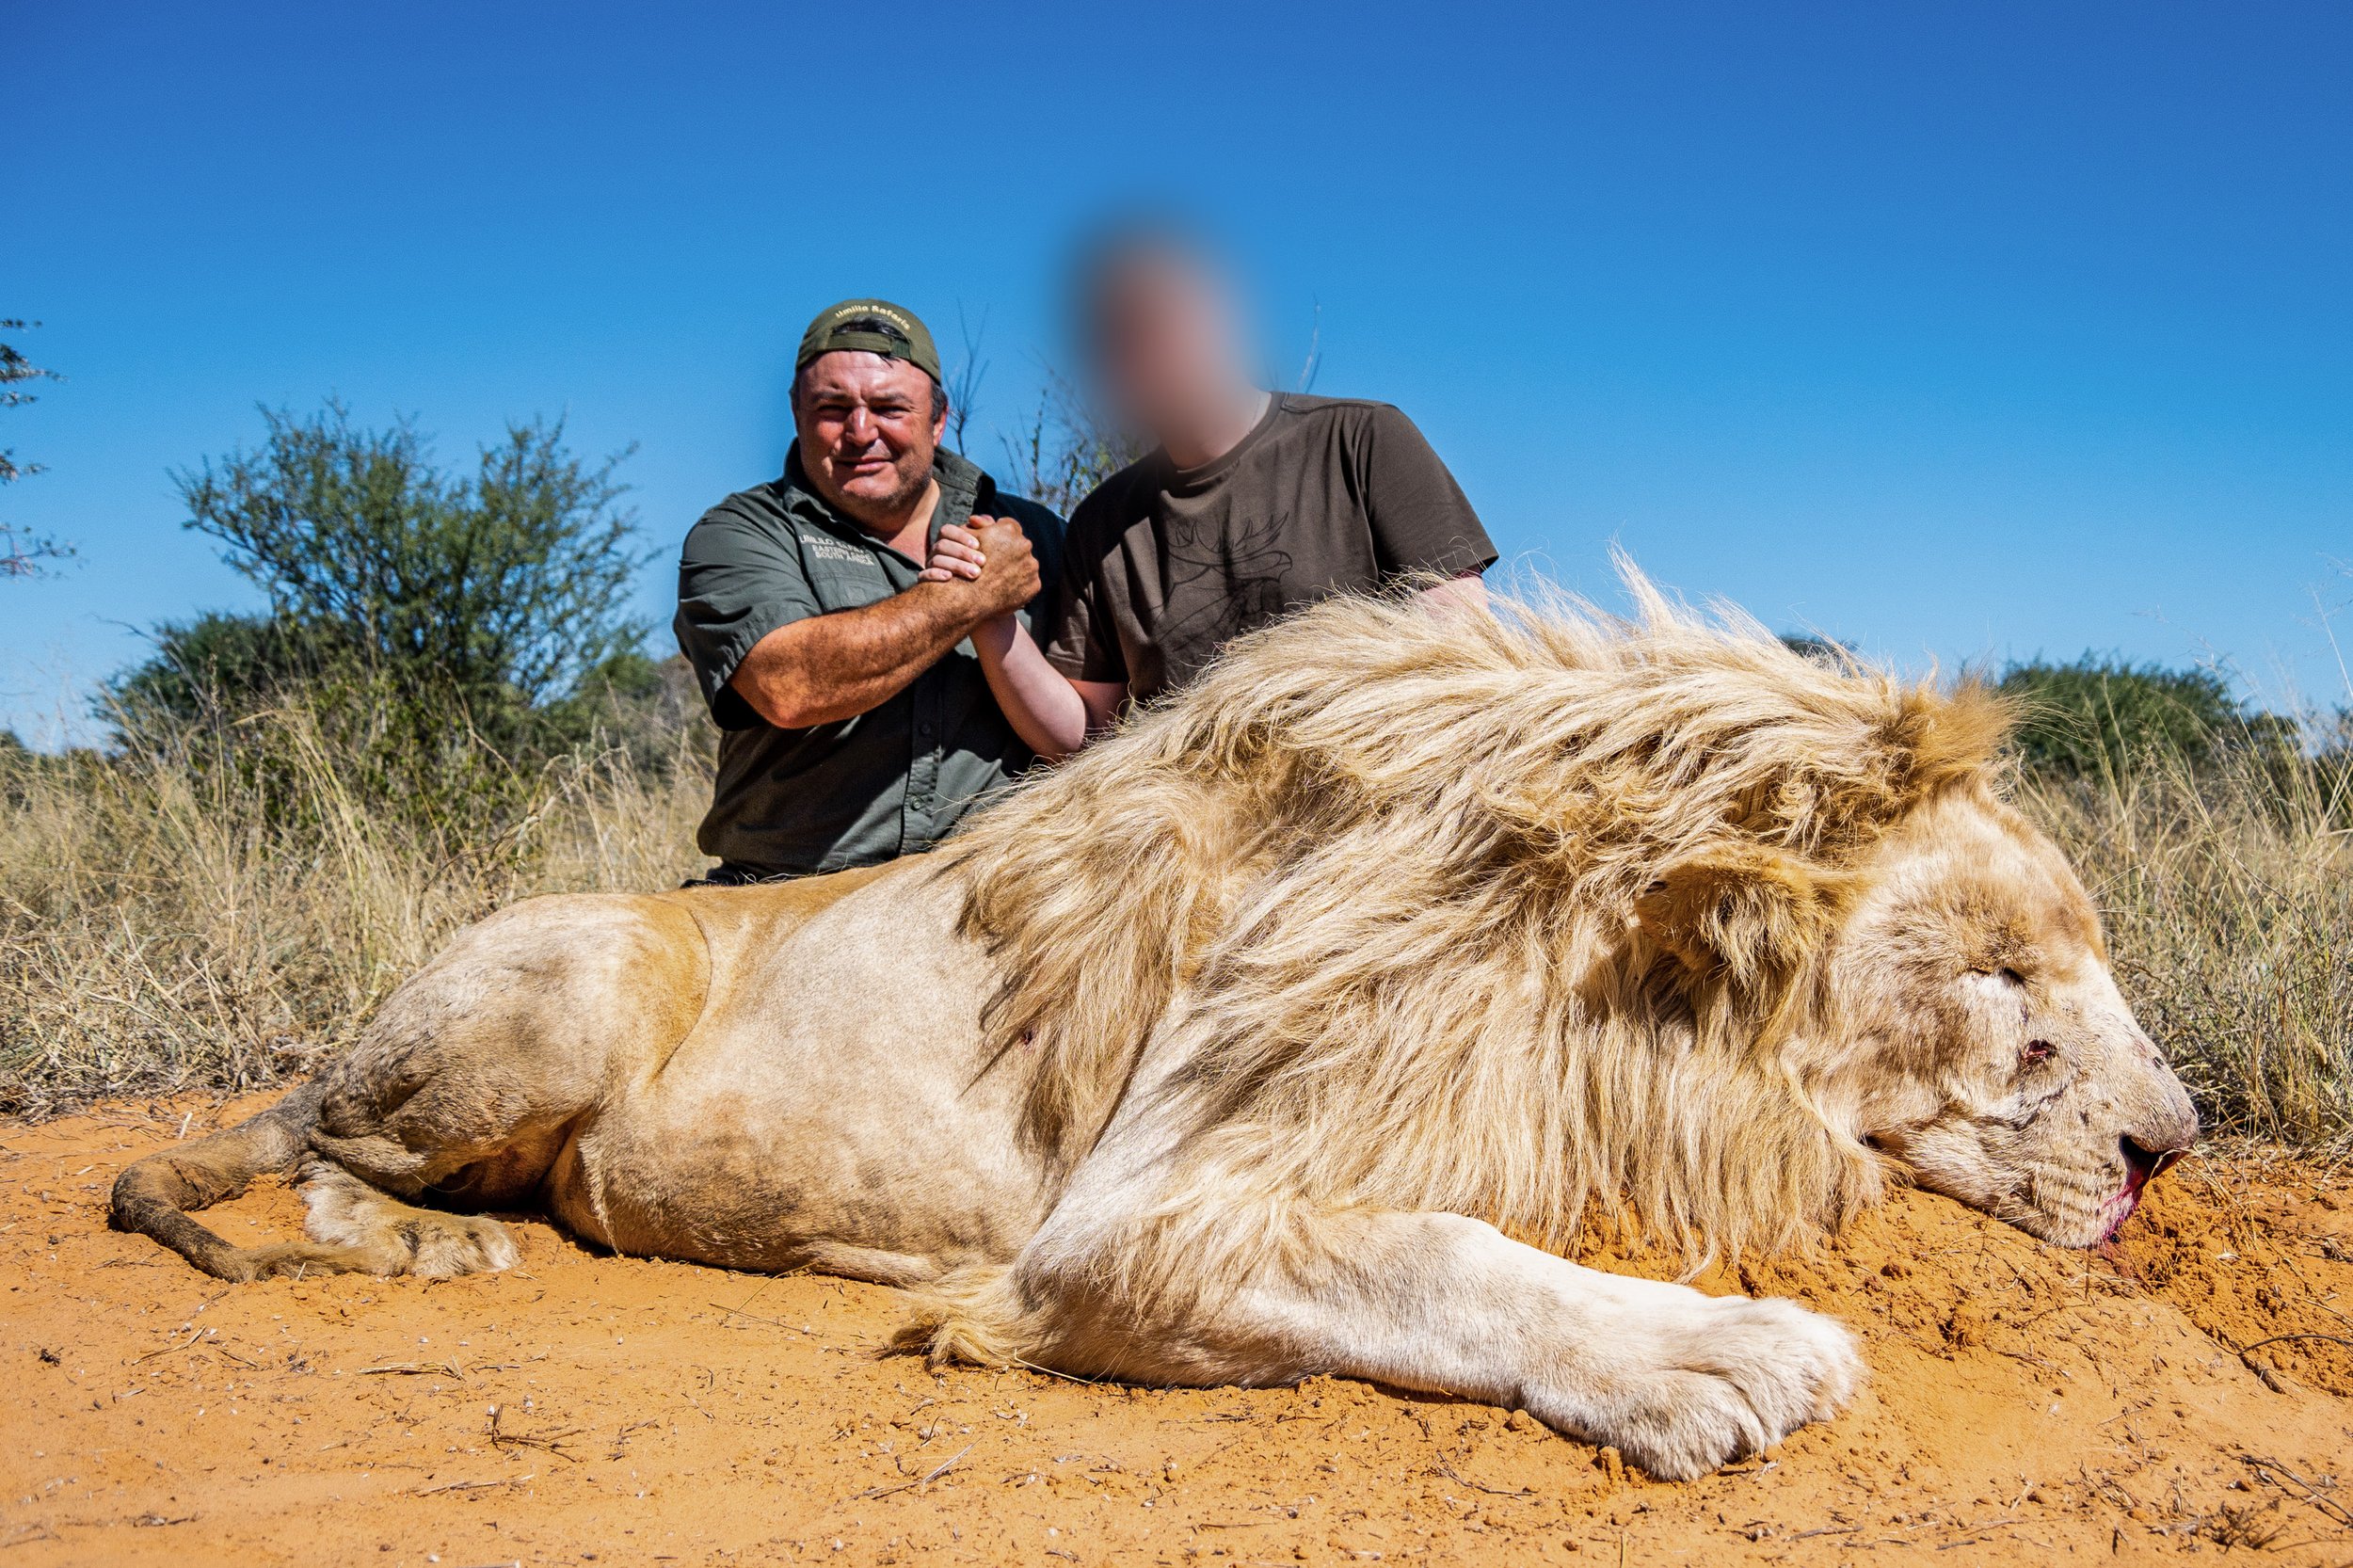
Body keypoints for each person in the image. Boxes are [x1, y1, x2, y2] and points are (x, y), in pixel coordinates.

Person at [921, 232, 1495, 760]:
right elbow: (1085, 736)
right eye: (1119, 341)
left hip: (1365, 806)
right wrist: (990, 620)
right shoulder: (1101, 520)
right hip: (1193, 835)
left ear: (1221, 322)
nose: (1146, 356)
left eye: (1162, 325)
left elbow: (1460, 656)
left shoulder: (1365, 439)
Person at [673, 298, 1064, 880]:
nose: (861, 432)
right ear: (796, 412)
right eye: (833, 408)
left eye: (889, 408)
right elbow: (788, 686)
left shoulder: (1038, 536)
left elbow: (1098, 723)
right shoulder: (740, 532)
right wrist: (971, 598)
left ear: (937, 418)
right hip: (786, 893)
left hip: (989, 885)